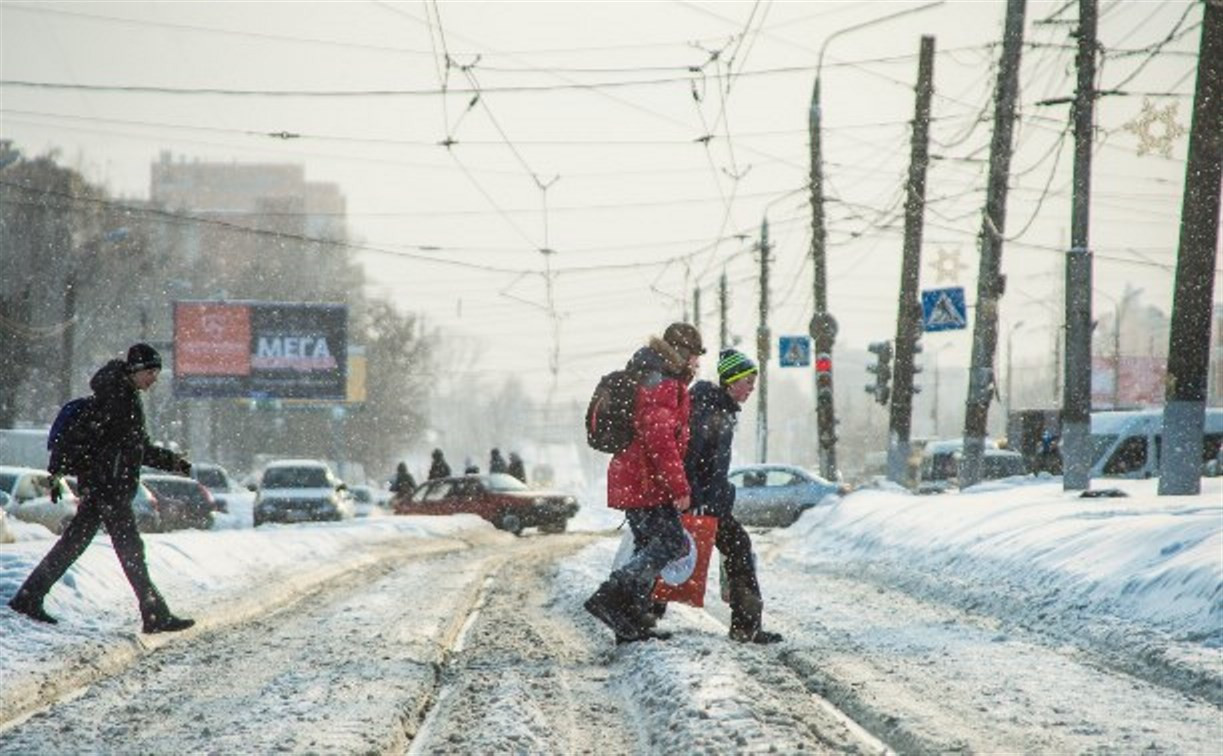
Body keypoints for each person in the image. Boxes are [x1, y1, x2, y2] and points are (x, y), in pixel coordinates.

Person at [7, 344, 195, 633]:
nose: (154, 379)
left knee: (75, 545)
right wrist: (93, 473)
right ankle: (154, 613)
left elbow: (135, 448)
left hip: (104, 487)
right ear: (135, 369)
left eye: (156, 372)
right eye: (150, 372)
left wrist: (172, 462)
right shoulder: (117, 398)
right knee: (130, 550)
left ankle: (29, 597)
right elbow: (109, 443)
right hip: (109, 488)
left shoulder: (122, 395)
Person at [584, 322, 704, 644]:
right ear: (680, 353)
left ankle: (631, 619)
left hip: (635, 476)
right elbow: (660, 440)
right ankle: (611, 596)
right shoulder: (663, 383)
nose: (697, 363)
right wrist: (679, 488)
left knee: (646, 544)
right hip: (644, 480)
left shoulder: (652, 374)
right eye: (694, 356)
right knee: (670, 543)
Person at [685, 349, 782, 644]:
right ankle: (745, 626)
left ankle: (746, 626)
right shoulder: (709, 408)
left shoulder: (718, 408)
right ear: (731, 381)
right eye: (748, 382)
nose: (751, 389)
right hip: (700, 502)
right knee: (684, 554)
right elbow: (692, 456)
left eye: (753, 383)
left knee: (735, 549)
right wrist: (695, 497)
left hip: (710, 501)